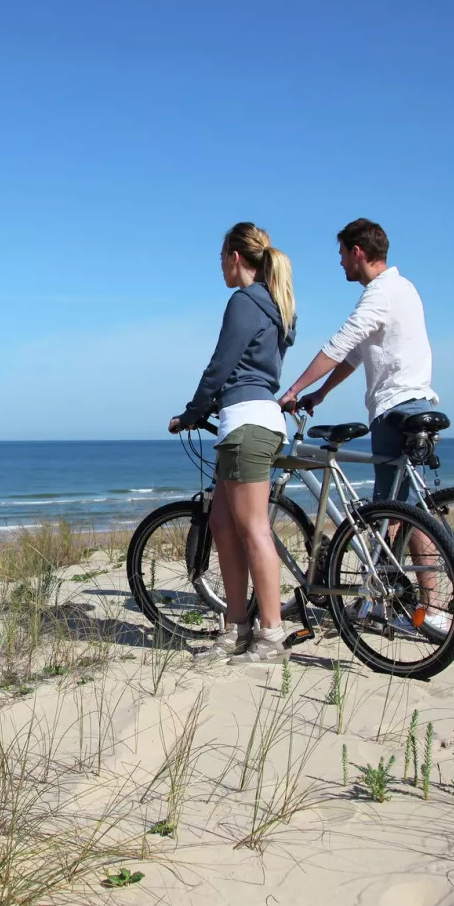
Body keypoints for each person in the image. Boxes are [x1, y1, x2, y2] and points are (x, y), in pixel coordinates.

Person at [279, 217, 448, 634]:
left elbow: (338, 346)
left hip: (396, 409)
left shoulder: (380, 294)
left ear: (358, 252)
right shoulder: (404, 288)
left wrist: (295, 388)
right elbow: (356, 355)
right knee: (403, 511)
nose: (339, 264)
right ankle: (405, 603)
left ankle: (431, 608)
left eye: (341, 255)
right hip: (416, 401)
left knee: (395, 512)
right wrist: (321, 395)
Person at [169, 222, 296, 664]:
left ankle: (272, 635)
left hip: (247, 423)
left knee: (253, 528)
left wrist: (190, 412)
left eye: (221, 256)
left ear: (235, 257)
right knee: (223, 526)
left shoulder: (245, 301)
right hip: (243, 423)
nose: (220, 265)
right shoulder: (274, 303)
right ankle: (236, 627)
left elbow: (221, 366)